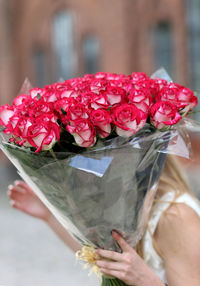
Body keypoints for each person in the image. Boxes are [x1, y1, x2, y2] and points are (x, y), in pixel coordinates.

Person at [7, 155, 200, 286]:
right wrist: (49, 216)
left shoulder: (175, 215)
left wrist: (145, 280)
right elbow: (104, 259)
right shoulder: (122, 205)